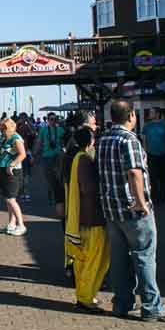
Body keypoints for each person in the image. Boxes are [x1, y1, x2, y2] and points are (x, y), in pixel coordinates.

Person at [96, 100, 165, 323]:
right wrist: (141, 202)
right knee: (144, 256)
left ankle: (122, 303)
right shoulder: (128, 139)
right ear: (131, 115)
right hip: (133, 210)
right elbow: (134, 172)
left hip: (112, 210)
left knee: (120, 259)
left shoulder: (103, 139)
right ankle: (153, 307)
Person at [65, 126, 109, 313]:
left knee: (85, 260)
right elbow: (89, 188)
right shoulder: (84, 159)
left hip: (83, 217)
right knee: (93, 259)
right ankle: (85, 298)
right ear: (90, 141)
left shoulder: (76, 157)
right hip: (92, 218)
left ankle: (84, 296)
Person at [0, 118, 27, 235]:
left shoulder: (16, 138)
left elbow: (22, 154)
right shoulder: (5, 138)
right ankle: (11, 224)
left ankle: (21, 225)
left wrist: (11, 165)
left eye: (2, 128)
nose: (0, 130)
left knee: (11, 199)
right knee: (8, 199)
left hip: (12, 172)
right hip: (2, 169)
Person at [142, 108, 165, 209]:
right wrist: (145, 153)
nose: (149, 114)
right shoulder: (147, 126)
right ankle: (155, 198)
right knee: (153, 178)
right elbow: (144, 141)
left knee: (164, 178)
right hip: (151, 155)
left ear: (157, 114)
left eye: (151, 112)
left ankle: (162, 198)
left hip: (164, 155)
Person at [37, 113, 66, 207]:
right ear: (48, 120)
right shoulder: (43, 130)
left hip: (58, 156)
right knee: (49, 177)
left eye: (54, 119)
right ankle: (52, 193)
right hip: (46, 156)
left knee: (58, 176)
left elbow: (64, 141)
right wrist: (35, 154)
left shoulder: (60, 130)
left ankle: (58, 196)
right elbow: (39, 142)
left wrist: (64, 150)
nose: (53, 121)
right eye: (51, 119)